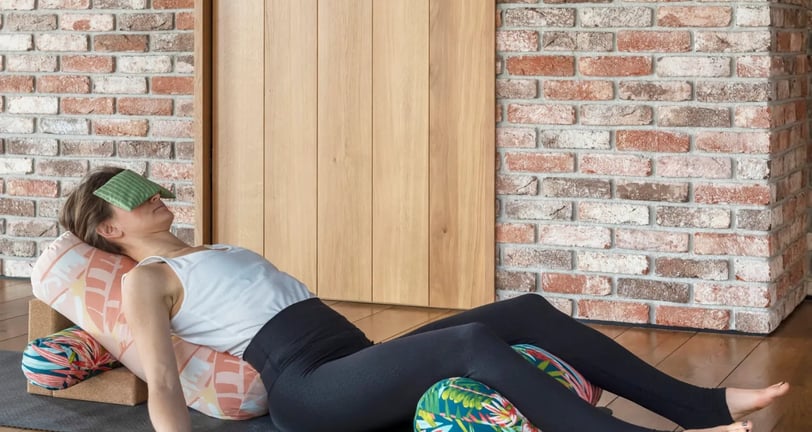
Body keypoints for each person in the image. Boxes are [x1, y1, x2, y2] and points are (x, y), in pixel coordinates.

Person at [59, 166, 789, 432]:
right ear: (108, 226)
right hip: (308, 395)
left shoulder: (209, 249)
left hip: (358, 361)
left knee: (525, 311)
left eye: (147, 185)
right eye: (128, 196)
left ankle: (700, 406)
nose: (151, 194)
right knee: (469, 346)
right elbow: (160, 377)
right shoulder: (145, 280)